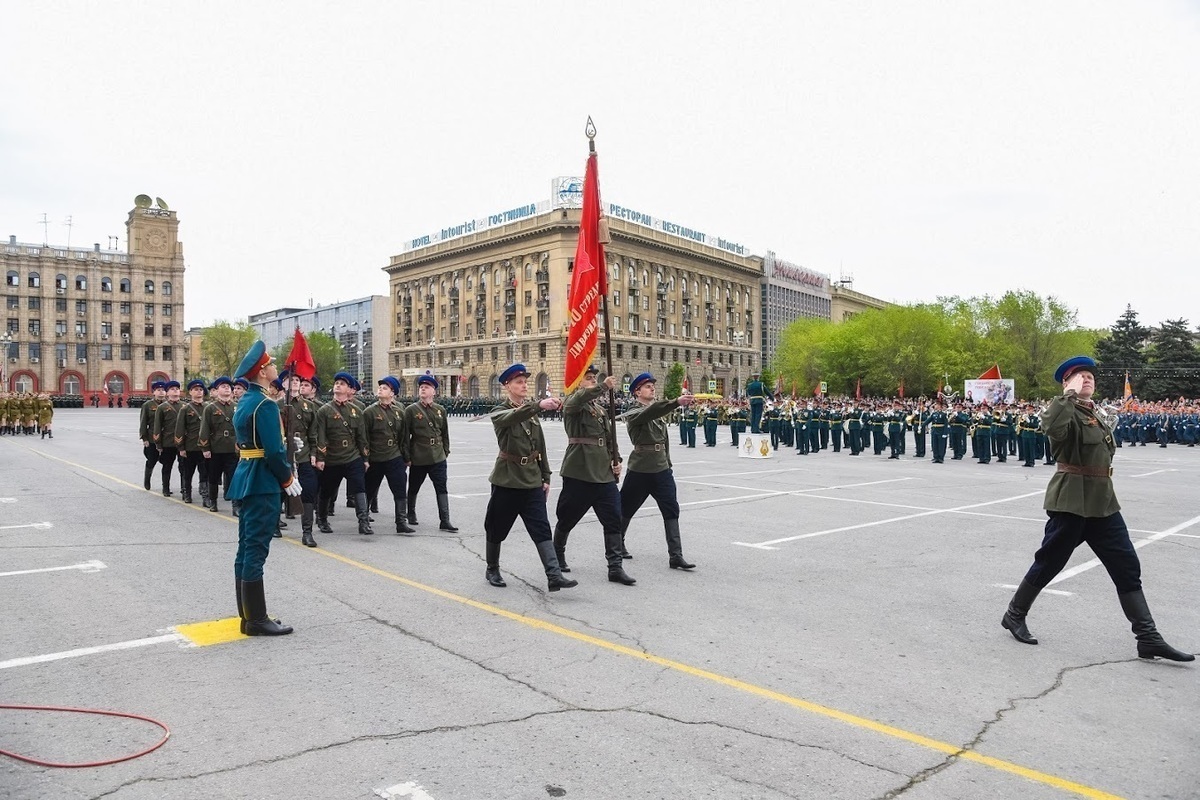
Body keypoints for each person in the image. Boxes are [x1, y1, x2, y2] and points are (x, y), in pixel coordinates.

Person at [1001, 355, 1193, 662]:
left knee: (1126, 565)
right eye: (1079, 376)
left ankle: (1148, 637)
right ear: (1067, 383)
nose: (1086, 378)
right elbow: (1053, 429)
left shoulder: (1096, 413)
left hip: (1103, 503)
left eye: (1090, 375)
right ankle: (1014, 614)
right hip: (1072, 502)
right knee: (1050, 561)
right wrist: (1068, 396)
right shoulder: (1062, 409)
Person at [228, 341, 302, 637]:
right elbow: (271, 452)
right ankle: (257, 620)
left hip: (246, 476)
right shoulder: (266, 404)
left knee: (245, 548)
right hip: (262, 482)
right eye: (271, 364)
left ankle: (247, 617)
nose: (275, 366)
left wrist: (286, 445)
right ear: (261, 372)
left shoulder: (246, 402)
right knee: (257, 549)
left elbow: (254, 444)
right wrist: (287, 479)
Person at [482, 363, 576, 592]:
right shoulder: (500, 411)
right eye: (518, 382)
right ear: (507, 386)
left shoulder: (530, 413)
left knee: (541, 528)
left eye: (525, 382)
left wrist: (545, 476)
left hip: (532, 480)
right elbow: (513, 417)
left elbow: (539, 446)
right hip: (508, 479)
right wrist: (538, 405)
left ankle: (554, 576)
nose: (524, 385)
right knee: (497, 527)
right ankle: (492, 568)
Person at [553, 366, 635, 586]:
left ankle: (615, 567)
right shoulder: (573, 404)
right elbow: (576, 401)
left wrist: (615, 460)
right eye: (587, 379)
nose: (591, 381)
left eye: (593, 378)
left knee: (613, 518)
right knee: (568, 517)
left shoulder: (598, 410)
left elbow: (609, 437)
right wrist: (602, 386)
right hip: (580, 470)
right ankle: (557, 554)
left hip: (603, 473)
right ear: (577, 383)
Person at [619, 372, 697, 570]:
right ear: (637, 391)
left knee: (671, 509)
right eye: (647, 386)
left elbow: (663, 442)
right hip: (640, 468)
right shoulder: (633, 411)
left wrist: (668, 464)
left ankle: (676, 555)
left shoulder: (656, 412)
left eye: (653, 385)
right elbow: (649, 413)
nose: (652, 388)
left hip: (661, 468)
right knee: (626, 508)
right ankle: (617, 544)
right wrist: (675, 402)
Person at [313, 372, 372, 535]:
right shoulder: (324, 411)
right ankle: (322, 519)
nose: (338, 385)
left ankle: (363, 521)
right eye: (336, 382)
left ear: (349, 389)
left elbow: (362, 436)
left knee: (359, 487)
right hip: (332, 458)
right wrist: (321, 458)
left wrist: (365, 458)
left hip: (352, 456)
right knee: (327, 490)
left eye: (342, 384)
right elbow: (321, 435)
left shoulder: (356, 411)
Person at [403, 373, 457, 531]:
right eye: (421, 387)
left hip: (438, 456)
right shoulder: (411, 410)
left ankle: (445, 520)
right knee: (414, 486)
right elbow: (405, 436)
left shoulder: (440, 410)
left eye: (426, 387)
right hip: (419, 455)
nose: (423, 389)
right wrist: (407, 456)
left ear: (434, 391)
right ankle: (411, 513)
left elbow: (445, 433)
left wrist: (445, 450)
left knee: (441, 488)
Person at [364, 376, 416, 536]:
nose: (380, 389)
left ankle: (401, 522)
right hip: (376, 457)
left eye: (385, 388)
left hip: (394, 457)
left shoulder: (400, 413)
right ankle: (364, 520)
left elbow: (404, 437)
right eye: (380, 387)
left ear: (392, 392)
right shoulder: (369, 412)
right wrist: (365, 458)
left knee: (400, 490)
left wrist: (406, 458)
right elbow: (364, 437)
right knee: (369, 490)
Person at [280, 370, 321, 546]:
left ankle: (307, 532)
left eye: (297, 379)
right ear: (283, 384)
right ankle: (275, 523)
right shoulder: (276, 405)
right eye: (290, 379)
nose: (295, 382)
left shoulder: (309, 406)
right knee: (280, 490)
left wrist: (314, 454)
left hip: (303, 455)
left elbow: (314, 433)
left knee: (309, 491)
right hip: (283, 455)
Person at [200, 377, 239, 514]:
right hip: (216, 447)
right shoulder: (210, 408)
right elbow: (205, 428)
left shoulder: (237, 407)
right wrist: (205, 448)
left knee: (234, 477)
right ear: (216, 391)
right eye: (223, 386)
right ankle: (213, 502)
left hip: (233, 448)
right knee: (213, 476)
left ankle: (236, 506)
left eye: (229, 386)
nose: (227, 388)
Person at [175, 379, 209, 505]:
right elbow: (180, 429)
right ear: (190, 392)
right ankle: (187, 493)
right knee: (188, 472)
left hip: (205, 447)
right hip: (190, 446)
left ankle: (205, 497)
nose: (199, 392)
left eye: (201, 390)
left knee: (205, 473)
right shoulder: (185, 409)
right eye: (196, 390)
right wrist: (181, 447)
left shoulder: (208, 407)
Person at [153, 380, 183, 497]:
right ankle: (165, 487)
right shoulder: (162, 407)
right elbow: (157, 426)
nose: (175, 390)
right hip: (167, 442)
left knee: (183, 467)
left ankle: (184, 488)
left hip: (182, 442)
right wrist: (158, 444)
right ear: (167, 392)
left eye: (177, 389)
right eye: (172, 389)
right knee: (167, 466)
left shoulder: (185, 406)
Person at [139, 381, 166, 489]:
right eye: (158, 390)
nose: (161, 392)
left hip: (166, 439)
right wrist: (144, 438)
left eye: (163, 390)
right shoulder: (148, 405)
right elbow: (143, 422)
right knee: (151, 460)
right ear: (153, 392)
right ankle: (147, 480)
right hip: (152, 438)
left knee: (166, 462)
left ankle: (166, 485)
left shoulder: (168, 405)